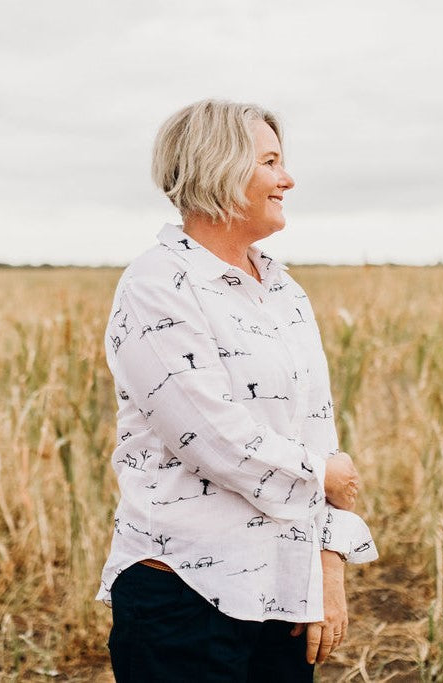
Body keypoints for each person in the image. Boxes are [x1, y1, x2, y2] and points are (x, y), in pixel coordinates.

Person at [97, 99, 378, 682]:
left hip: (282, 592)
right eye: (271, 161)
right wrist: (323, 475)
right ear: (218, 168)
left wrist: (329, 567)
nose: (288, 178)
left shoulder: (283, 289)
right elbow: (217, 439)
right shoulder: (157, 285)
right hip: (185, 600)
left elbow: (320, 432)